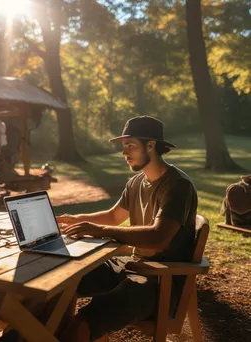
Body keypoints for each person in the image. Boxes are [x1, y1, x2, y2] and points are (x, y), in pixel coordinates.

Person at [57, 115, 198, 342]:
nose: (124, 153)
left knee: (85, 320)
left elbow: (158, 238)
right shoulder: (135, 182)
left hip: (161, 281)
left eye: (130, 146)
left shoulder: (177, 185)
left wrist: (101, 231)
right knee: (67, 280)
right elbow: (114, 215)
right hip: (133, 266)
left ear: (151, 145)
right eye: (123, 147)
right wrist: (75, 219)